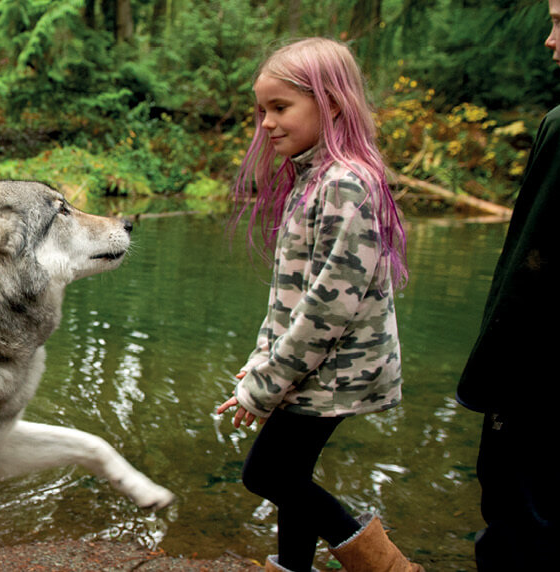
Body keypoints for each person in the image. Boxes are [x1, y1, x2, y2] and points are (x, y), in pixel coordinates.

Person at [214, 38, 422, 572]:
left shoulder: (345, 184)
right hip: (309, 368)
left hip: (333, 372)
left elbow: (329, 309)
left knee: (268, 475)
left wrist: (264, 387)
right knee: (291, 473)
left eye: (280, 108)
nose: (266, 123)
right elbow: (291, 295)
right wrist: (262, 361)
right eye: (262, 110)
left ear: (330, 102)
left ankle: (391, 570)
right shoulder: (315, 178)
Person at [457, 1, 560, 569]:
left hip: (554, 394)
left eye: (558, 20)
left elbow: (531, 271)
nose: (548, 39)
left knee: (525, 531)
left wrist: (481, 385)